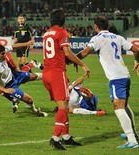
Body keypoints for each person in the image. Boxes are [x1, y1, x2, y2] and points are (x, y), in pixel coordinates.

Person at [76, 16, 139, 148]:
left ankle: (132, 140)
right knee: (124, 106)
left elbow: (85, 52)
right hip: (125, 76)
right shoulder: (118, 37)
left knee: (118, 108)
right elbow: (136, 50)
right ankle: (132, 133)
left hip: (116, 78)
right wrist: (137, 62)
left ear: (95, 27)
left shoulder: (98, 38)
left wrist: (73, 60)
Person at [42, 9, 90, 150]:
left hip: (47, 73)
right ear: (63, 21)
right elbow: (67, 52)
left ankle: (66, 136)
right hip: (57, 73)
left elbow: (58, 53)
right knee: (63, 107)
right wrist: (82, 64)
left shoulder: (46, 34)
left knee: (65, 104)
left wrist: (68, 60)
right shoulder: (62, 32)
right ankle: (55, 138)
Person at [0, 44, 48, 117]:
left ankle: (49, 76)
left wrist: (26, 43)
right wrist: (4, 90)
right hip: (10, 86)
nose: (5, 55)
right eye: (2, 54)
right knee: (29, 100)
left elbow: (12, 46)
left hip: (15, 75)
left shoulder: (1, 52)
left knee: (34, 76)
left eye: (4, 53)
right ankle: (35, 111)